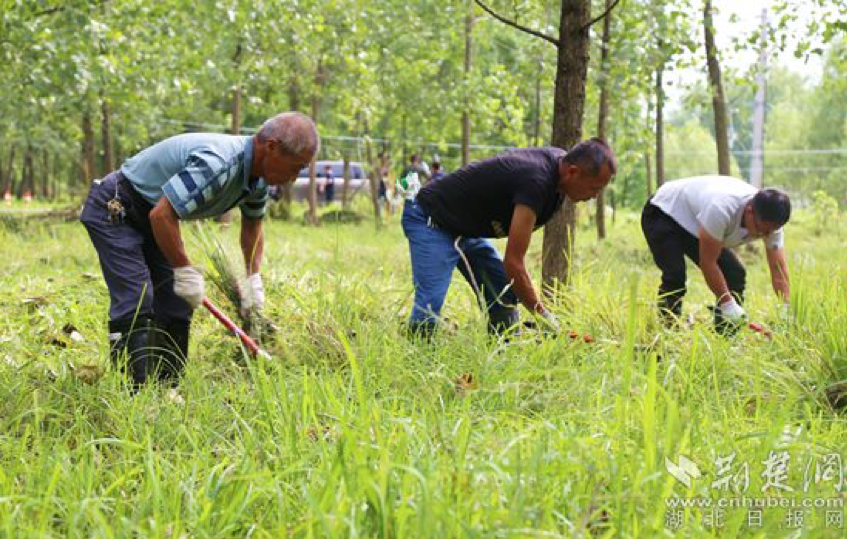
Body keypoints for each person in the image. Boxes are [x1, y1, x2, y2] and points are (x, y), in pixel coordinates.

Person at [80, 112, 319, 388]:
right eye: (296, 167)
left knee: (176, 302)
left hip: (153, 216)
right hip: (116, 208)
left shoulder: (258, 179)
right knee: (137, 298)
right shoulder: (218, 164)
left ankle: (167, 388)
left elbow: (252, 226)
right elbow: (162, 216)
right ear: (272, 147)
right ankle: (134, 393)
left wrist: (253, 281)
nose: (293, 178)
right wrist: (184, 269)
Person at [400, 138, 616, 338]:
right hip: (430, 219)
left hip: (465, 228)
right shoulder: (537, 181)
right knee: (430, 304)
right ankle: (416, 362)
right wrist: (543, 315)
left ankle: (504, 349)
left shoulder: (559, 175)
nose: (595, 196)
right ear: (573, 172)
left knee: (501, 290)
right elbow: (514, 262)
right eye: (594, 187)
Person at [641, 175, 791, 333]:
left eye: (771, 231)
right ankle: (668, 330)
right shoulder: (721, 209)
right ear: (749, 210)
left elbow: (778, 270)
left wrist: (786, 307)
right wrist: (728, 304)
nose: (765, 235)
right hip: (664, 211)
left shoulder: (771, 224)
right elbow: (708, 263)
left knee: (734, 273)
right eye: (762, 229)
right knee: (675, 275)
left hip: (697, 221)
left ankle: (726, 335)